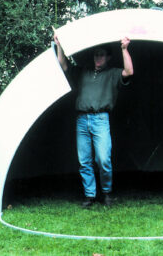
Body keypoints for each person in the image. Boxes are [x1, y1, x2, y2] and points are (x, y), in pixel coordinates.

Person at [54, 33, 134, 207]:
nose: (98, 58)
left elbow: (129, 71)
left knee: (103, 159)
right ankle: (89, 196)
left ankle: (106, 193)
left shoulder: (113, 73)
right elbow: (64, 65)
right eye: (96, 54)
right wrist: (59, 44)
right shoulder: (84, 71)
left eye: (102, 55)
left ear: (108, 57)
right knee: (84, 161)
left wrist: (124, 49)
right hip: (82, 119)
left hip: (100, 119)